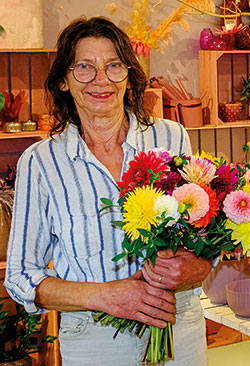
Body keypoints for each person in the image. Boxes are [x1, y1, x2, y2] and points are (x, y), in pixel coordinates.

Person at [4, 17, 211, 365]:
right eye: (84, 67)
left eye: (114, 66)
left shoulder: (172, 138)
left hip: (178, 324)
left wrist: (199, 267)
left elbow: (203, 233)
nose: (101, 80)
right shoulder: (40, 163)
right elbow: (22, 277)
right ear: (64, 81)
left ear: (128, 75)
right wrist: (106, 296)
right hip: (94, 338)